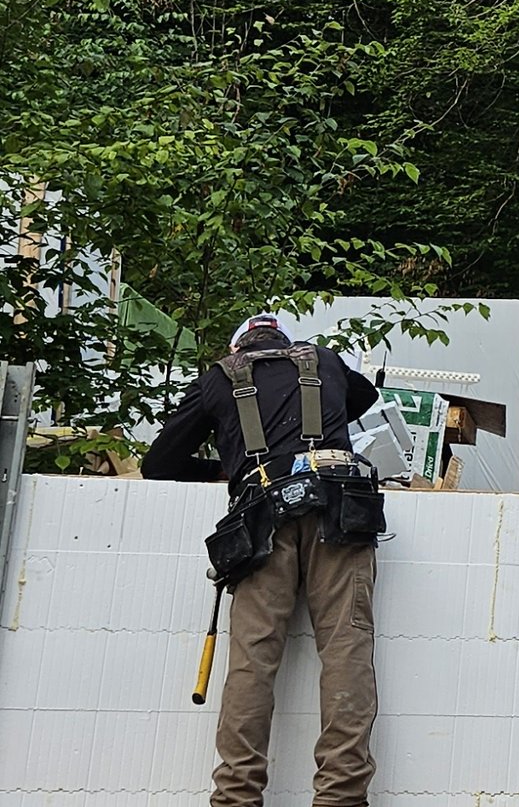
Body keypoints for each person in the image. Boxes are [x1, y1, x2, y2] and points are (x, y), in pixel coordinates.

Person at [145, 312, 384, 807]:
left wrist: (231, 465)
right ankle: (342, 797)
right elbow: (367, 398)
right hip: (338, 506)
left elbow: (158, 465)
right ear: (285, 345)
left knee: (252, 661)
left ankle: (236, 797)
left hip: (261, 512)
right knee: (346, 652)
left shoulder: (219, 377)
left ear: (239, 350)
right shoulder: (324, 361)